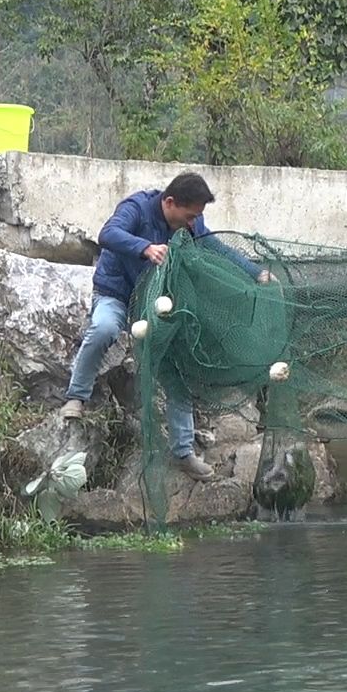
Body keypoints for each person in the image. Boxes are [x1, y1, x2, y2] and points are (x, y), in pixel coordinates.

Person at [61, 171, 272, 481]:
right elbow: (108, 234)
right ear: (170, 202)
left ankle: (183, 452)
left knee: (177, 363)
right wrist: (145, 248)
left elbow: (217, 249)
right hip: (117, 294)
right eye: (189, 215)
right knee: (104, 328)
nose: (192, 223)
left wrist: (256, 273)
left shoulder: (192, 224)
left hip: (157, 304)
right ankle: (75, 397)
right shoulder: (136, 208)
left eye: (197, 217)